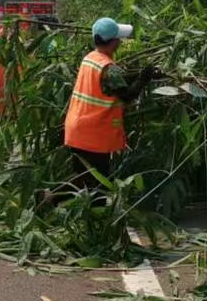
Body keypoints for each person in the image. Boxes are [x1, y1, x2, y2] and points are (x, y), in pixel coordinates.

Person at [62, 16, 155, 188]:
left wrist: (138, 76)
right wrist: (144, 78)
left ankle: (49, 196)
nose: (120, 41)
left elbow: (114, 84)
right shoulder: (108, 68)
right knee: (97, 184)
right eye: (118, 39)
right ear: (113, 42)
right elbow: (127, 95)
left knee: (83, 179)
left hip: (78, 128)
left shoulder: (90, 58)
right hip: (93, 134)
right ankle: (50, 196)